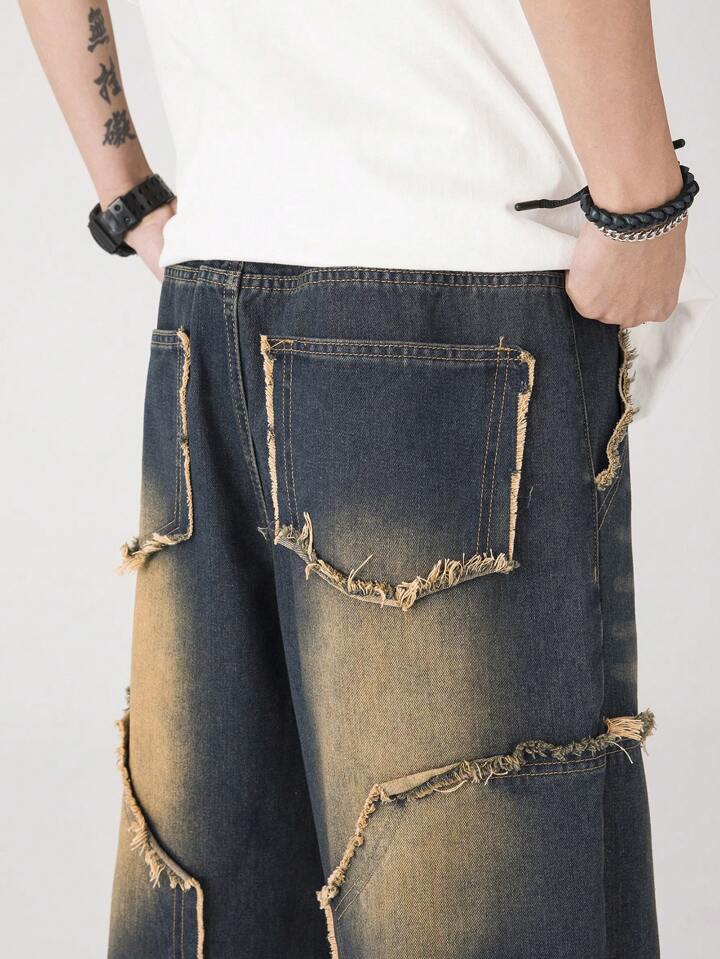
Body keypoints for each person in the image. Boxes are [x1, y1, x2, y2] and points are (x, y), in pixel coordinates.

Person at [19, 2, 699, 957]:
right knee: (477, 907)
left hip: (214, 292)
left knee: (228, 892)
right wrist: (640, 204)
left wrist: (125, 195)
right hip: (455, 272)